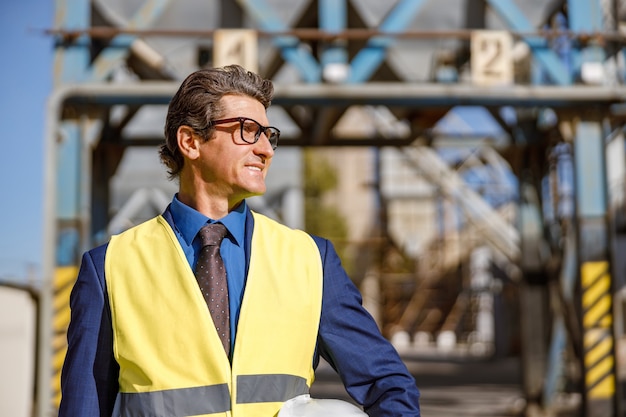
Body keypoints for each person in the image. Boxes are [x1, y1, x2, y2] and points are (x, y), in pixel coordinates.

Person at [59, 64, 421, 417]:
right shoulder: (110, 266)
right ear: (190, 141)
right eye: (248, 130)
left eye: (268, 134)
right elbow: (84, 405)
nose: (266, 149)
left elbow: (387, 383)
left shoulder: (311, 260)